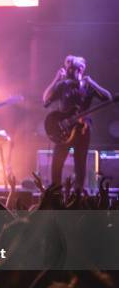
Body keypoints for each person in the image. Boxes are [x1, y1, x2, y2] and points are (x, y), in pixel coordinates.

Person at [42, 55, 111, 189]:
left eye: (80, 68)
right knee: (57, 163)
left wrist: (91, 82)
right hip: (64, 130)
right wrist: (56, 79)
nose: (77, 71)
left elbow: (107, 98)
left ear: (83, 69)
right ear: (69, 70)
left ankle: (78, 194)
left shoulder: (88, 86)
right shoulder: (63, 85)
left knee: (80, 164)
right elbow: (46, 100)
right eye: (74, 68)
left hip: (82, 130)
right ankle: (56, 193)